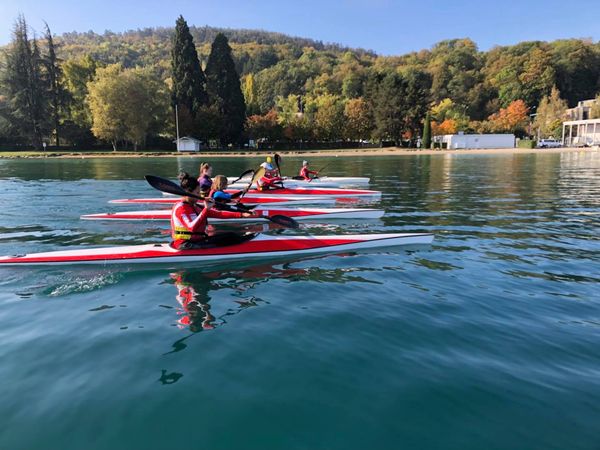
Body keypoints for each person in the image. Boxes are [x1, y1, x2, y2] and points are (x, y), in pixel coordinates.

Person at [171, 172, 255, 250]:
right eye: (197, 193)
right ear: (188, 192)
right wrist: (206, 209)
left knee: (230, 236)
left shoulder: (194, 206)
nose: (200, 195)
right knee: (228, 239)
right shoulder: (181, 208)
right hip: (185, 245)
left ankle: (249, 240)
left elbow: (219, 214)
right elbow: (191, 228)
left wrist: (242, 214)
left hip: (198, 241)